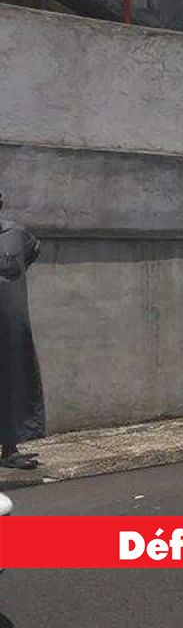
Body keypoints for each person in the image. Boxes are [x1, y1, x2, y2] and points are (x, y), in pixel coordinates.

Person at [0, 191, 45, 470]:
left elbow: (32, 253)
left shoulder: (16, 235)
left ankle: (10, 449)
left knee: (12, 381)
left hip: (10, 325)